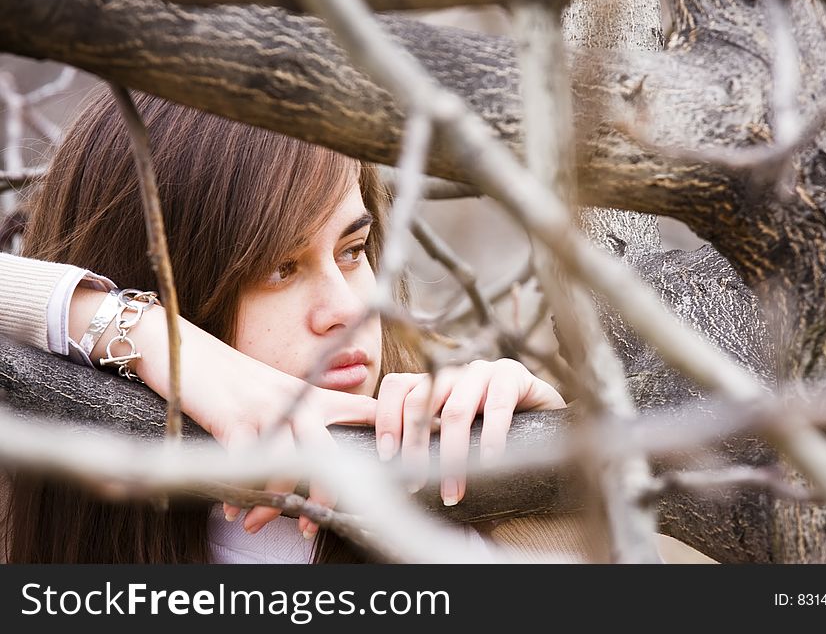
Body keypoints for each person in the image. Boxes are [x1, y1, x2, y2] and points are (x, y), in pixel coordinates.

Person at [0, 87, 569, 563]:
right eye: (280, 268)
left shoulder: (450, 497)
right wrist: (139, 329)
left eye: (352, 250)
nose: (346, 310)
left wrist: (556, 494)